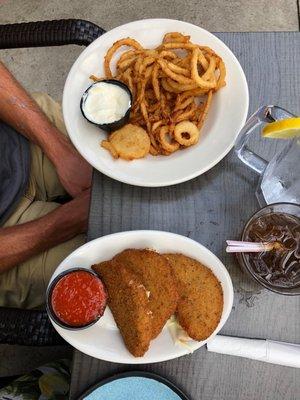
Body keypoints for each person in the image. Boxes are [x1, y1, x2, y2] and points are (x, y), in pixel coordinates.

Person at [0, 61, 92, 308]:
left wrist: (61, 151)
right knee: (124, 269)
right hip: (8, 239)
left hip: (19, 135)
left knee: (139, 152)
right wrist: (64, 222)